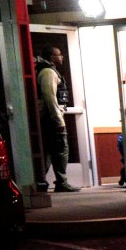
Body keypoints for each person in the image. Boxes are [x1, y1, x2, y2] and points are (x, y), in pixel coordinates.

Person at [35, 46, 78, 192]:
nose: (62, 57)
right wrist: (58, 119)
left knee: (48, 150)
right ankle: (60, 181)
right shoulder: (48, 72)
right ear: (52, 57)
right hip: (51, 119)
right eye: (59, 55)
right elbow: (50, 97)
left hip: (48, 118)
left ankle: (40, 182)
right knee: (61, 150)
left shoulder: (47, 70)